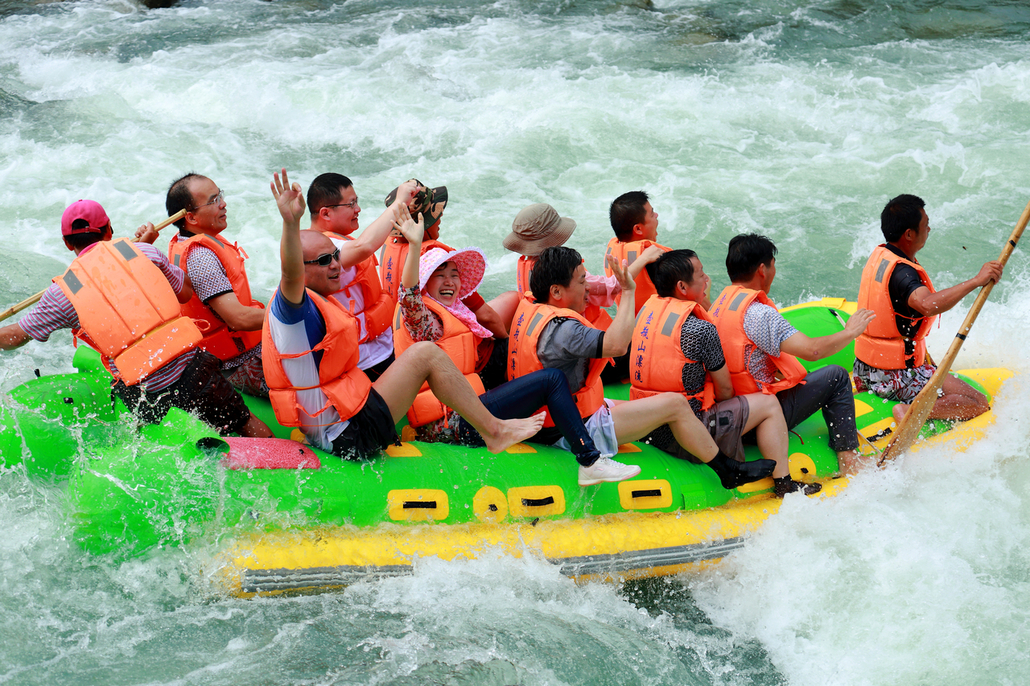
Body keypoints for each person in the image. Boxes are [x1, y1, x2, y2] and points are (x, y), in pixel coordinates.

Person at [264, 169, 543, 460]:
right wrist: (290, 223)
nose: (336, 265)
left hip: (346, 416)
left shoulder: (317, 299)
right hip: (346, 435)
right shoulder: (292, 310)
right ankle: (495, 432)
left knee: (421, 354)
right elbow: (290, 273)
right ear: (302, 269)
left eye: (335, 256)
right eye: (324, 261)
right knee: (426, 354)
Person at [392, 204, 631, 481]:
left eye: (453, 274)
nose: (449, 281)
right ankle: (589, 461)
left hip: (464, 405)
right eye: (439, 275)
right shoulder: (422, 319)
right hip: (452, 423)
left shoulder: (451, 310)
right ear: (424, 283)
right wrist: (415, 245)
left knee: (510, 350)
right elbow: (408, 297)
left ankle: (559, 409)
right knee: (551, 380)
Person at [508, 246, 776, 489]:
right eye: (581, 281)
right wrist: (627, 291)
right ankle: (727, 470)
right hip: (571, 432)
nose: (588, 288)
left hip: (549, 420)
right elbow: (617, 346)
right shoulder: (565, 330)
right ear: (556, 291)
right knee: (674, 404)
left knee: (643, 406)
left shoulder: (532, 305)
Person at [1, 200, 272, 438]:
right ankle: (277, 458)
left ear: (66, 243)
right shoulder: (145, 253)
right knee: (246, 422)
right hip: (192, 373)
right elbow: (184, 293)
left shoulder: (61, 293)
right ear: (109, 229)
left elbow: (17, 335)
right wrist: (148, 254)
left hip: (141, 393)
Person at [635, 249, 812, 496]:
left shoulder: (646, 312)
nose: (707, 278)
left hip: (646, 427)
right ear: (682, 287)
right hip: (687, 436)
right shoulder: (701, 329)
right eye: (700, 274)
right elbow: (726, 391)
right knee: (769, 403)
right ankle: (784, 484)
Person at [709, 234, 875, 475]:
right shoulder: (759, 314)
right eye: (773, 264)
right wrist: (850, 332)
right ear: (762, 270)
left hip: (730, 415)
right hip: (761, 421)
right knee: (837, 376)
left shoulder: (718, 307)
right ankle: (849, 459)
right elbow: (812, 350)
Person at [853, 194, 1003, 423]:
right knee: (977, 402)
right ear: (909, 234)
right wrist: (976, 281)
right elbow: (925, 304)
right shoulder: (903, 273)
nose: (929, 229)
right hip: (894, 376)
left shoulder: (882, 256)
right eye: (925, 224)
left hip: (865, 371)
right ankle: (911, 412)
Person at [160, 173, 267, 397]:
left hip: (242, 351)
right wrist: (291, 316)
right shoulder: (201, 257)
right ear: (191, 218)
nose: (223, 204)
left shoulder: (189, 244)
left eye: (221, 196)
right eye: (214, 200)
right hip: (240, 363)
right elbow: (238, 318)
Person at [306, 173, 417, 381]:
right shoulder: (322, 253)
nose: (358, 209)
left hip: (378, 350)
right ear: (326, 213)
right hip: (369, 362)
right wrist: (399, 202)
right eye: (351, 204)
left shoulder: (333, 241)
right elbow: (364, 246)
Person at [377, 180, 510, 338]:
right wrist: (505, 345)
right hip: (446, 339)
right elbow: (485, 316)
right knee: (513, 298)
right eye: (436, 213)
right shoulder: (434, 254)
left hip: (400, 336)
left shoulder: (388, 243)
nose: (440, 215)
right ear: (423, 223)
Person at [604, 191, 672, 314]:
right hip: (656, 326)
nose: (656, 215)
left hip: (632, 327)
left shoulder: (614, 251)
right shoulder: (656, 258)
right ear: (638, 229)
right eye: (652, 214)